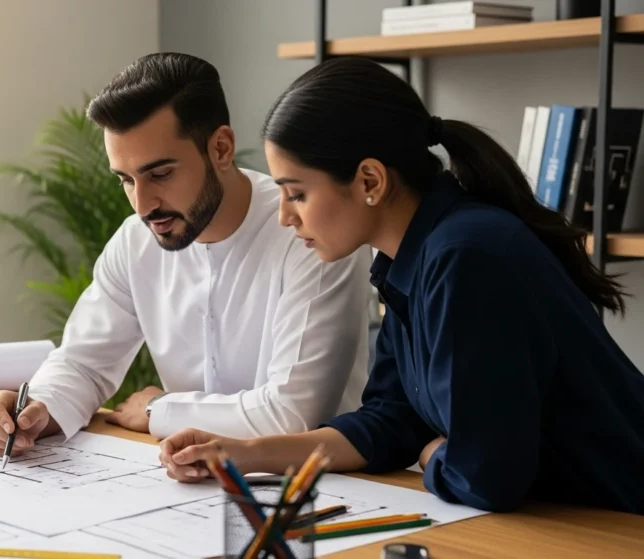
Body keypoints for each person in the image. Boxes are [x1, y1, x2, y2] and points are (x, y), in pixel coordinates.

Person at [157, 56, 644, 515]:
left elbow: (485, 477)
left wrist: (434, 455)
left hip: (616, 523)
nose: (285, 216)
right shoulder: (409, 259)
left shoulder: (465, 258)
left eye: (297, 194)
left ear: (370, 180)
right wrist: (242, 454)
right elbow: (391, 421)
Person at [0, 53, 373, 457]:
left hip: (321, 487)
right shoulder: (137, 240)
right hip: (185, 481)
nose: (142, 204)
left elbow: (292, 415)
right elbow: (83, 363)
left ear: (221, 148)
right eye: (126, 180)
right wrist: (38, 411)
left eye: (160, 174)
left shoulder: (311, 232)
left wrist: (158, 410)